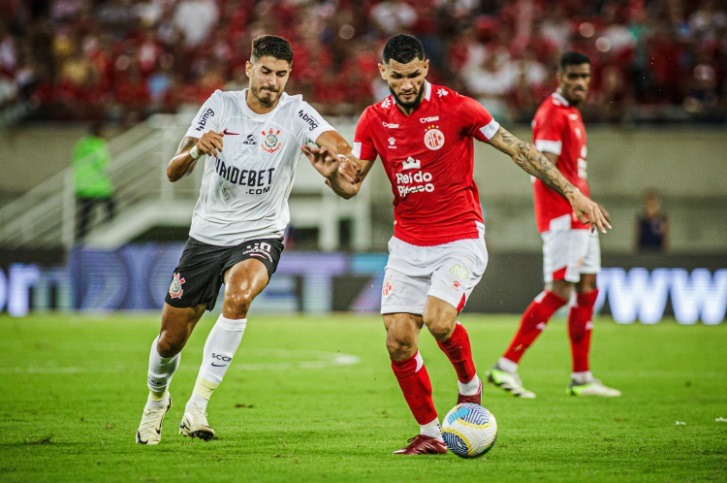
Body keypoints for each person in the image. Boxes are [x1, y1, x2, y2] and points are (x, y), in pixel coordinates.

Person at [303, 35, 610, 455]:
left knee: (440, 321)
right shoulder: (373, 119)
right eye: (398, 76)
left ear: (426, 68)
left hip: (459, 237)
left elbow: (519, 150)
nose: (407, 84)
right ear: (383, 73)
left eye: (414, 75)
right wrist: (331, 176)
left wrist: (572, 192)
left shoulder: (458, 107)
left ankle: (470, 387)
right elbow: (351, 185)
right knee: (397, 340)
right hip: (408, 244)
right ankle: (430, 434)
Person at [135, 35, 359, 445]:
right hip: (206, 237)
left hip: (262, 233)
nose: (273, 81)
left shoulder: (296, 113)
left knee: (239, 296)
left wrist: (339, 163)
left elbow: (339, 147)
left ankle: (198, 406)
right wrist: (196, 151)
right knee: (169, 341)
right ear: (249, 68)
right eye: (266, 71)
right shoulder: (220, 105)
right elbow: (173, 170)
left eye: (282, 74)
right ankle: (156, 401)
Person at [486, 52, 621, 399]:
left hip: (581, 215)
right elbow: (542, 168)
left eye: (585, 76)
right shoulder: (551, 113)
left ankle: (581, 376)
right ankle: (506, 366)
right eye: (573, 76)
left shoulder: (572, 113)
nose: (580, 82)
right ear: (559, 76)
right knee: (561, 290)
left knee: (588, 287)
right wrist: (576, 200)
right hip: (564, 216)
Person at [72, 120, 116, 241]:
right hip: (98, 185)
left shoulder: (81, 145)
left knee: (84, 217)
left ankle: (79, 242)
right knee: (110, 208)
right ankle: (109, 233)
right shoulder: (99, 145)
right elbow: (104, 164)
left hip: (81, 185)